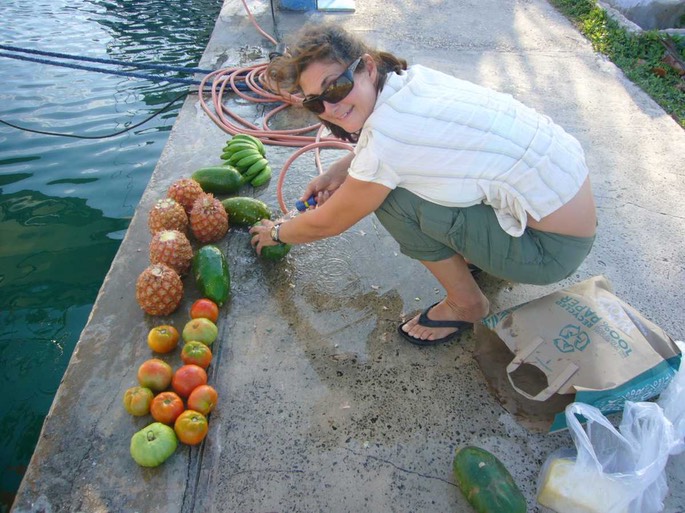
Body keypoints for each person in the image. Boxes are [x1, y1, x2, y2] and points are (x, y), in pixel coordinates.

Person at [250, 22, 597, 347]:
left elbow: (329, 222)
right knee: (397, 182)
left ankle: (467, 305)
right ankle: (479, 252)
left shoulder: (388, 141)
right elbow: (397, 148)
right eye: (315, 101)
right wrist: (340, 171)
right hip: (563, 210)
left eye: (337, 86)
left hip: (548, 251)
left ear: (367, 67)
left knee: (391, 200)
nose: (330, 107)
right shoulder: (411, 80)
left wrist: (278, 233)